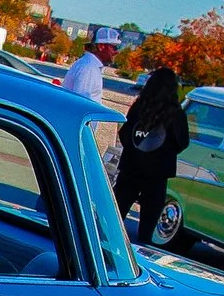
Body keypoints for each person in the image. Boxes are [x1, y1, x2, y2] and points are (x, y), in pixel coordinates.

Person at [114, 68, 189, 244]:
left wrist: (136, 150)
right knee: (148, 224)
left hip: (131, 167)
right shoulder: (176, 114)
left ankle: (107, 247)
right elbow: (182, 142)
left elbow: (125, 133)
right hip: (158, 173)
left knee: (116, 214)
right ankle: (141, 255)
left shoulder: (140, 106)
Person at [64, 26, 120, 100]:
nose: (117, 52)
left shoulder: (89, 65)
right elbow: (80, 103)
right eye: (114, 47)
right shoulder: (89, 68)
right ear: (101, 46)